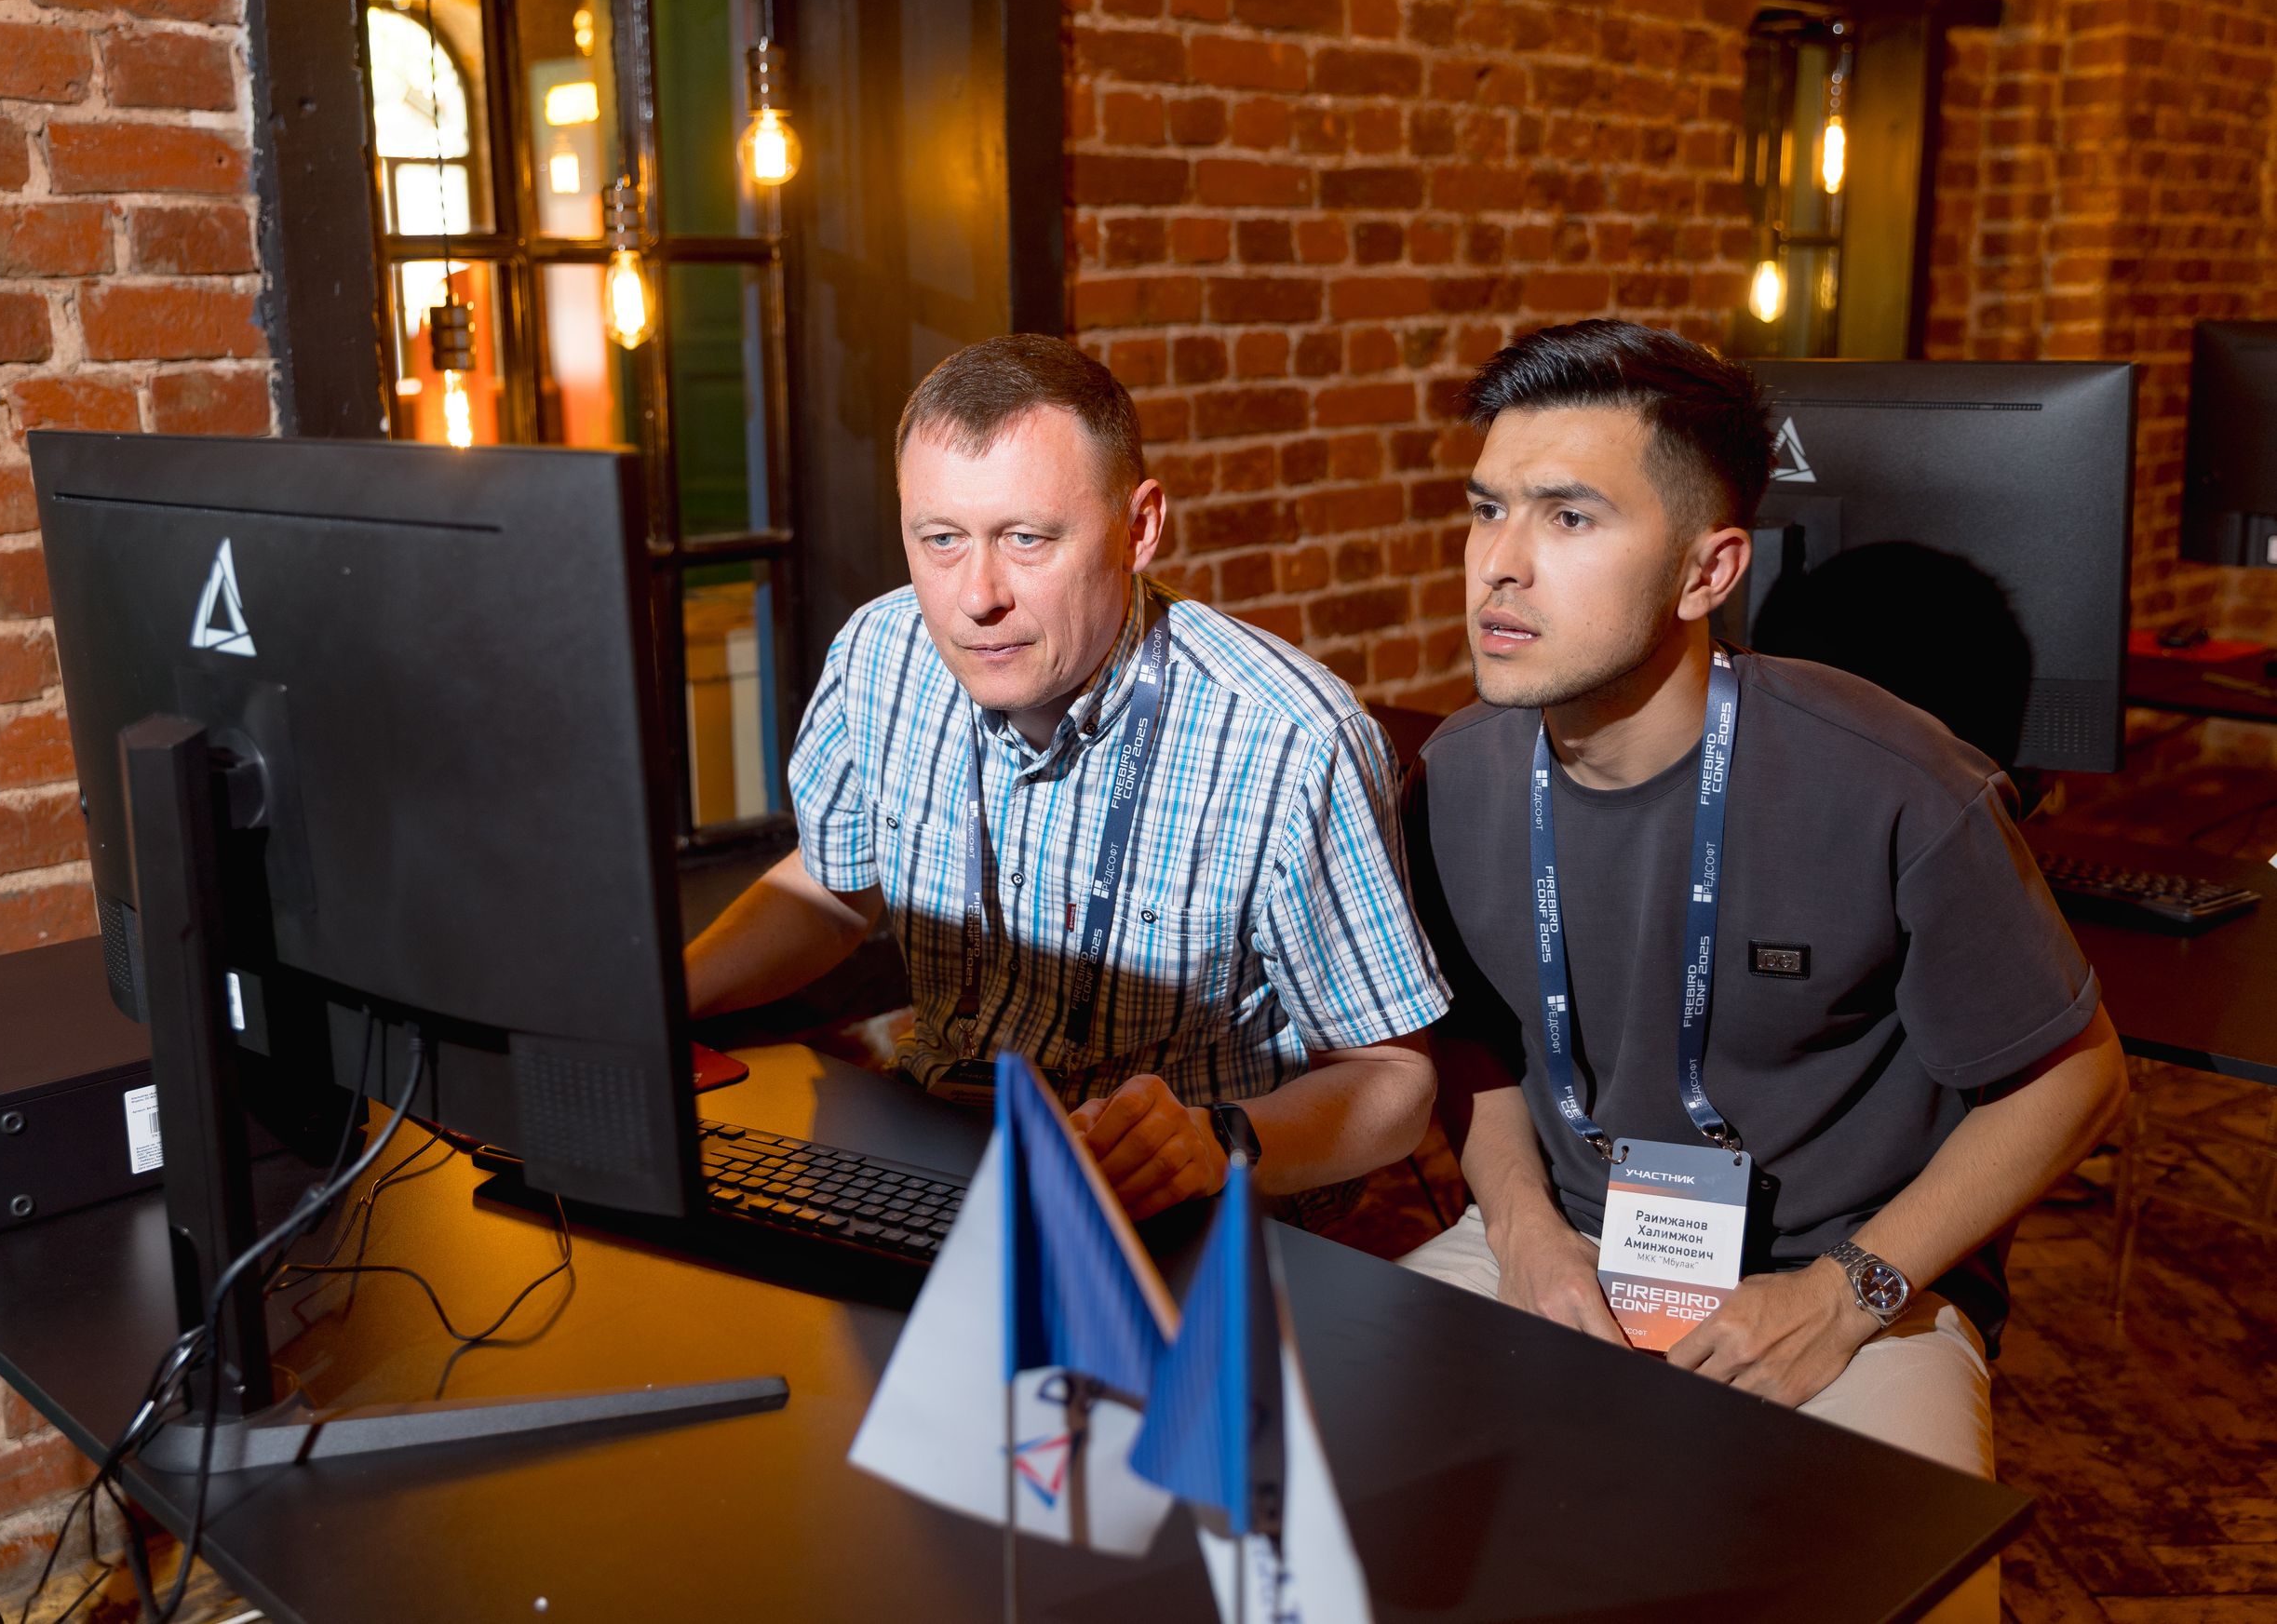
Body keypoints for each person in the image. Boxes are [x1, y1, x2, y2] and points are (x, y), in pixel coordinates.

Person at [1398, 320, 2127, 1621]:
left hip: (1852, 1280)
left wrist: (1844, 1296)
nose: (1498, 563)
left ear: (1706, 568)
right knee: (1275, 1489)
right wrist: (1520, 1228)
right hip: (1556, 1239)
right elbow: (1473, 1041)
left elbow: (2075, 1081)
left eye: (1568, 517)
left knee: (1908, 1598)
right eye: (1487, 509)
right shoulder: (1455, 774)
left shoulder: (1897, 782)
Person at [686, 334, 1449, 1218]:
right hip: (939, 1149)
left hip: (1183, 1215)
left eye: (1026, 538)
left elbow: (1394, 1082)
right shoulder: (878, 652)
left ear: (1138, 529)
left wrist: (1219, 1143)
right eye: (941, 539)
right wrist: (660, 1001)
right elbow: (831, 894)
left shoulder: (1291, 741)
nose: (978, 596)